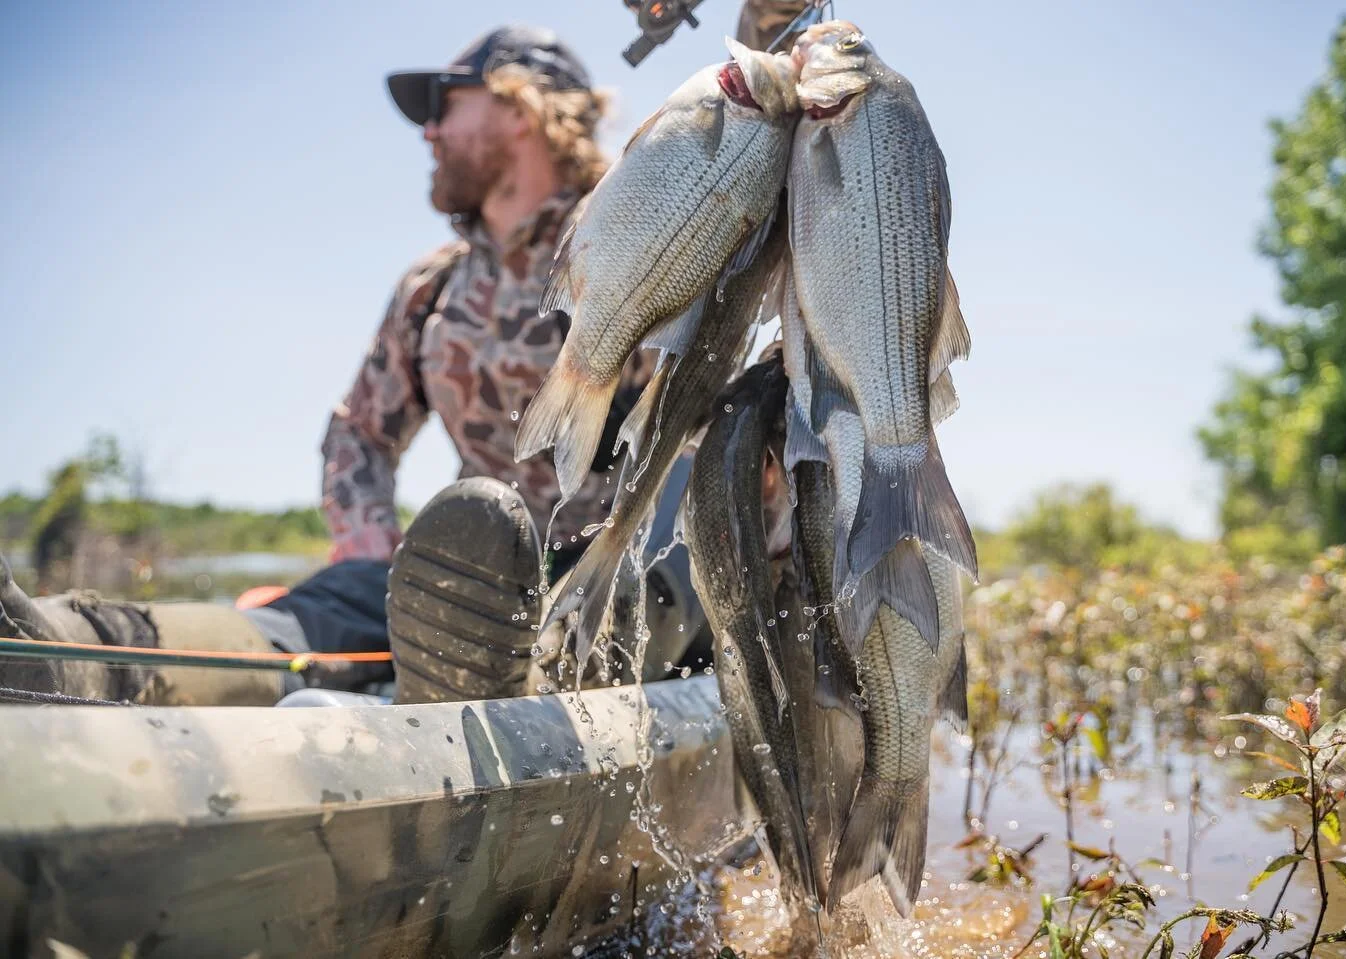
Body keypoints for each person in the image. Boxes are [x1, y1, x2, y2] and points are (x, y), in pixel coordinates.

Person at [0, 6, 817, 707]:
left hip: (644, 576)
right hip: (472, 580)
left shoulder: (654, 221)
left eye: (443, 104)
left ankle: (500, 683)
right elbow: (359, 433)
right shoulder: (431, 290)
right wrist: (365, 540)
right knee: (328, 606)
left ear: (518, 108)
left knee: (643, 571)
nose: (427, 131)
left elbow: (768, 205)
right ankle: (78, 651)